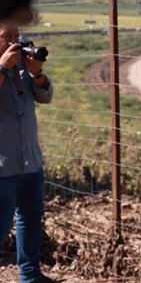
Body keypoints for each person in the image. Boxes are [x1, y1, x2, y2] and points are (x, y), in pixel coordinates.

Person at [0, 24, 54, 283]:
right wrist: (2, 67)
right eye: (6, 37)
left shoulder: (22, 68)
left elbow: (45, 97)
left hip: (30, 160)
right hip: (3, 164)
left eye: (16, 36)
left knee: (30, 218)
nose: (14, 41)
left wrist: (38, 72)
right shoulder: (7, 66)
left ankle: (30, 276)